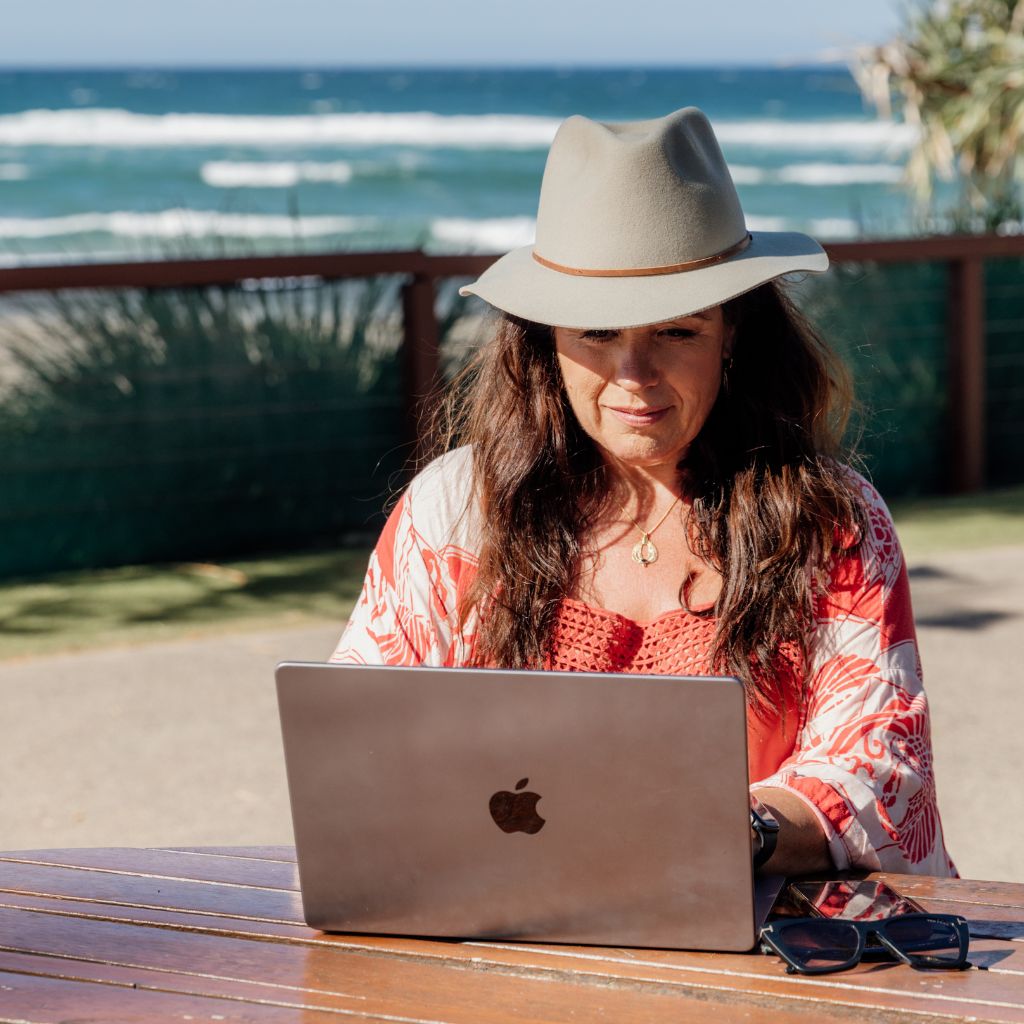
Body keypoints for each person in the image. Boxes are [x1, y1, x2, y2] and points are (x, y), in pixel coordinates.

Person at [332, 107, 955, 878]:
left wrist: (731, 835)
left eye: (677, 332)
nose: (634, 378)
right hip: (498, 932)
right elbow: (357, 744)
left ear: (734, 336)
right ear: (543, 340)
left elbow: (880, 765)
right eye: (597, 334)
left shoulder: (830, 520)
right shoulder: (452, 512)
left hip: (766, 950)